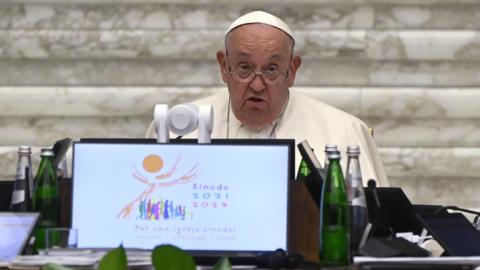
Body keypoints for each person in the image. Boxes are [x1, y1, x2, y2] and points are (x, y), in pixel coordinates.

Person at [146, 11, 388, 186]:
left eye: (271, 69)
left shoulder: (344, 130)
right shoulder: (178, 125)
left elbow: (371, 226)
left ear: (292, 70)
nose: (257, 84)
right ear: (223, 66)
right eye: (244, 68)